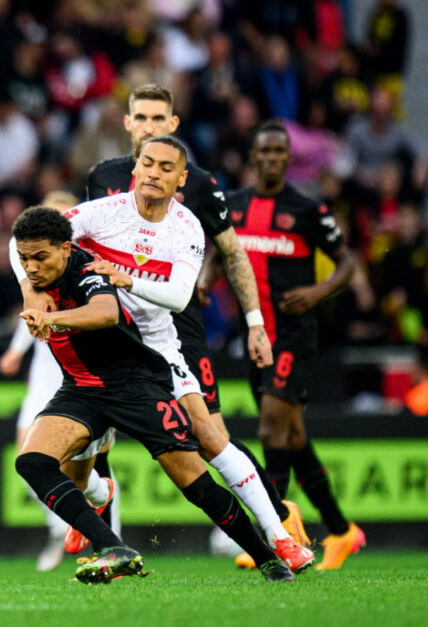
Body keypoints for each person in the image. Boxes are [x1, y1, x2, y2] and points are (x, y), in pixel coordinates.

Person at [19, 137, 314, 571]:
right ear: (135, 168)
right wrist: (32, 291)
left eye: (165, 167)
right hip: (99, 353)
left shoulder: (186, 227)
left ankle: (278, 537)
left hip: (155, 349)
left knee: (210, 439)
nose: (154, 173)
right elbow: (29, 238)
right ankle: (97, 500)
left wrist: (124, 278)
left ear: (182, 178)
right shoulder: (105, 211)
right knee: (67, 463)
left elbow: (178, 297)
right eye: (147, 163)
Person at [86, 84, 311, 558]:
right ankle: (103, 537)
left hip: (176, 325)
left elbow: (232, 252)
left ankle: (278, 521)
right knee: (98, 434)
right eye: (140, 117)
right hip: (113, 324)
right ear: (128, 123)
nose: (148, 126)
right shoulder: (103, 180)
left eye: (158, 119)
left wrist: (254, 323)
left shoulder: (201, 187)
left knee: (211, 436)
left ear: (173, 125)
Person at [228, 119, 365, 570]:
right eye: (262, 151)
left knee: (270, 427)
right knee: (294, 438)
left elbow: (347, 264)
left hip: (292, 336)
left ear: (289, 158)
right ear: (253, 157)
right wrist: (206, 284)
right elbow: (219, 253)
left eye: (277, 152)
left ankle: (277, 533)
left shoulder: (307, 209)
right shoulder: (235, 206)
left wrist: (316, 292)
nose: (270, 158)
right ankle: (342, 532)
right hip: (256, 335)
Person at [0, 191, 79, 572]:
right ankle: (58, 527)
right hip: (45, 368)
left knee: (77, 461)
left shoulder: (80, 262)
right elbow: (33, 305)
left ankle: (86, 526)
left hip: (78, 365)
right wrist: (18, 348)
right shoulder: (32, 261)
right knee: (25, 456)